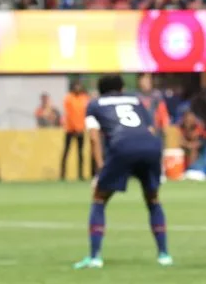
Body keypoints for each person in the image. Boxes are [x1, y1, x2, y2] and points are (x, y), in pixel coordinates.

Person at [74, 75, 172, 269]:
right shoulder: (135, 100)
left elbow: (94, 137)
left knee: (99, 198)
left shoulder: (94, 104)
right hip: (150, 146)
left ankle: (94, 257)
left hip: (122, 146)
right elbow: (151, 129)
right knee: (152, 199)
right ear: (121, 88)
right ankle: (164, 255)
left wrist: (100, 165)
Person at [61, 80, 90, 180]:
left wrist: (81, 127)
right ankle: (62, 174)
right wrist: (75, 127)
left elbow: (86, 113)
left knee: (80, 153)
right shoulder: (69, 98)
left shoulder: (84, 98)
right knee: (66, 151)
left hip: (81, 129)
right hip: (70, 129)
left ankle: (81, 174)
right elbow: (69, 114)